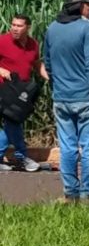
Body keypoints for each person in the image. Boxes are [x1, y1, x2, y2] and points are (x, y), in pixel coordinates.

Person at [44, 0, 89, 204]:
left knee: (68, 147)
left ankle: (70, 194)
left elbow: (48, 63)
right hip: (85, 98)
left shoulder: (52, 28)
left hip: (61, 98)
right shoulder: (88, 29)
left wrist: (57, 85)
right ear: (81, 6)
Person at [0, 14, 49, 172]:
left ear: (28, 27)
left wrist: (48, 77)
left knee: (11, 125)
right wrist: (2, 70)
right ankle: (22, 158)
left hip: (22, 92)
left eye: (19, 26)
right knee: (13, 122)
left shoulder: (33, 44)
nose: (14, 28)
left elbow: (36, 64)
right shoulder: (2, 41)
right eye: (13, 25)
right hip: (4, 89)